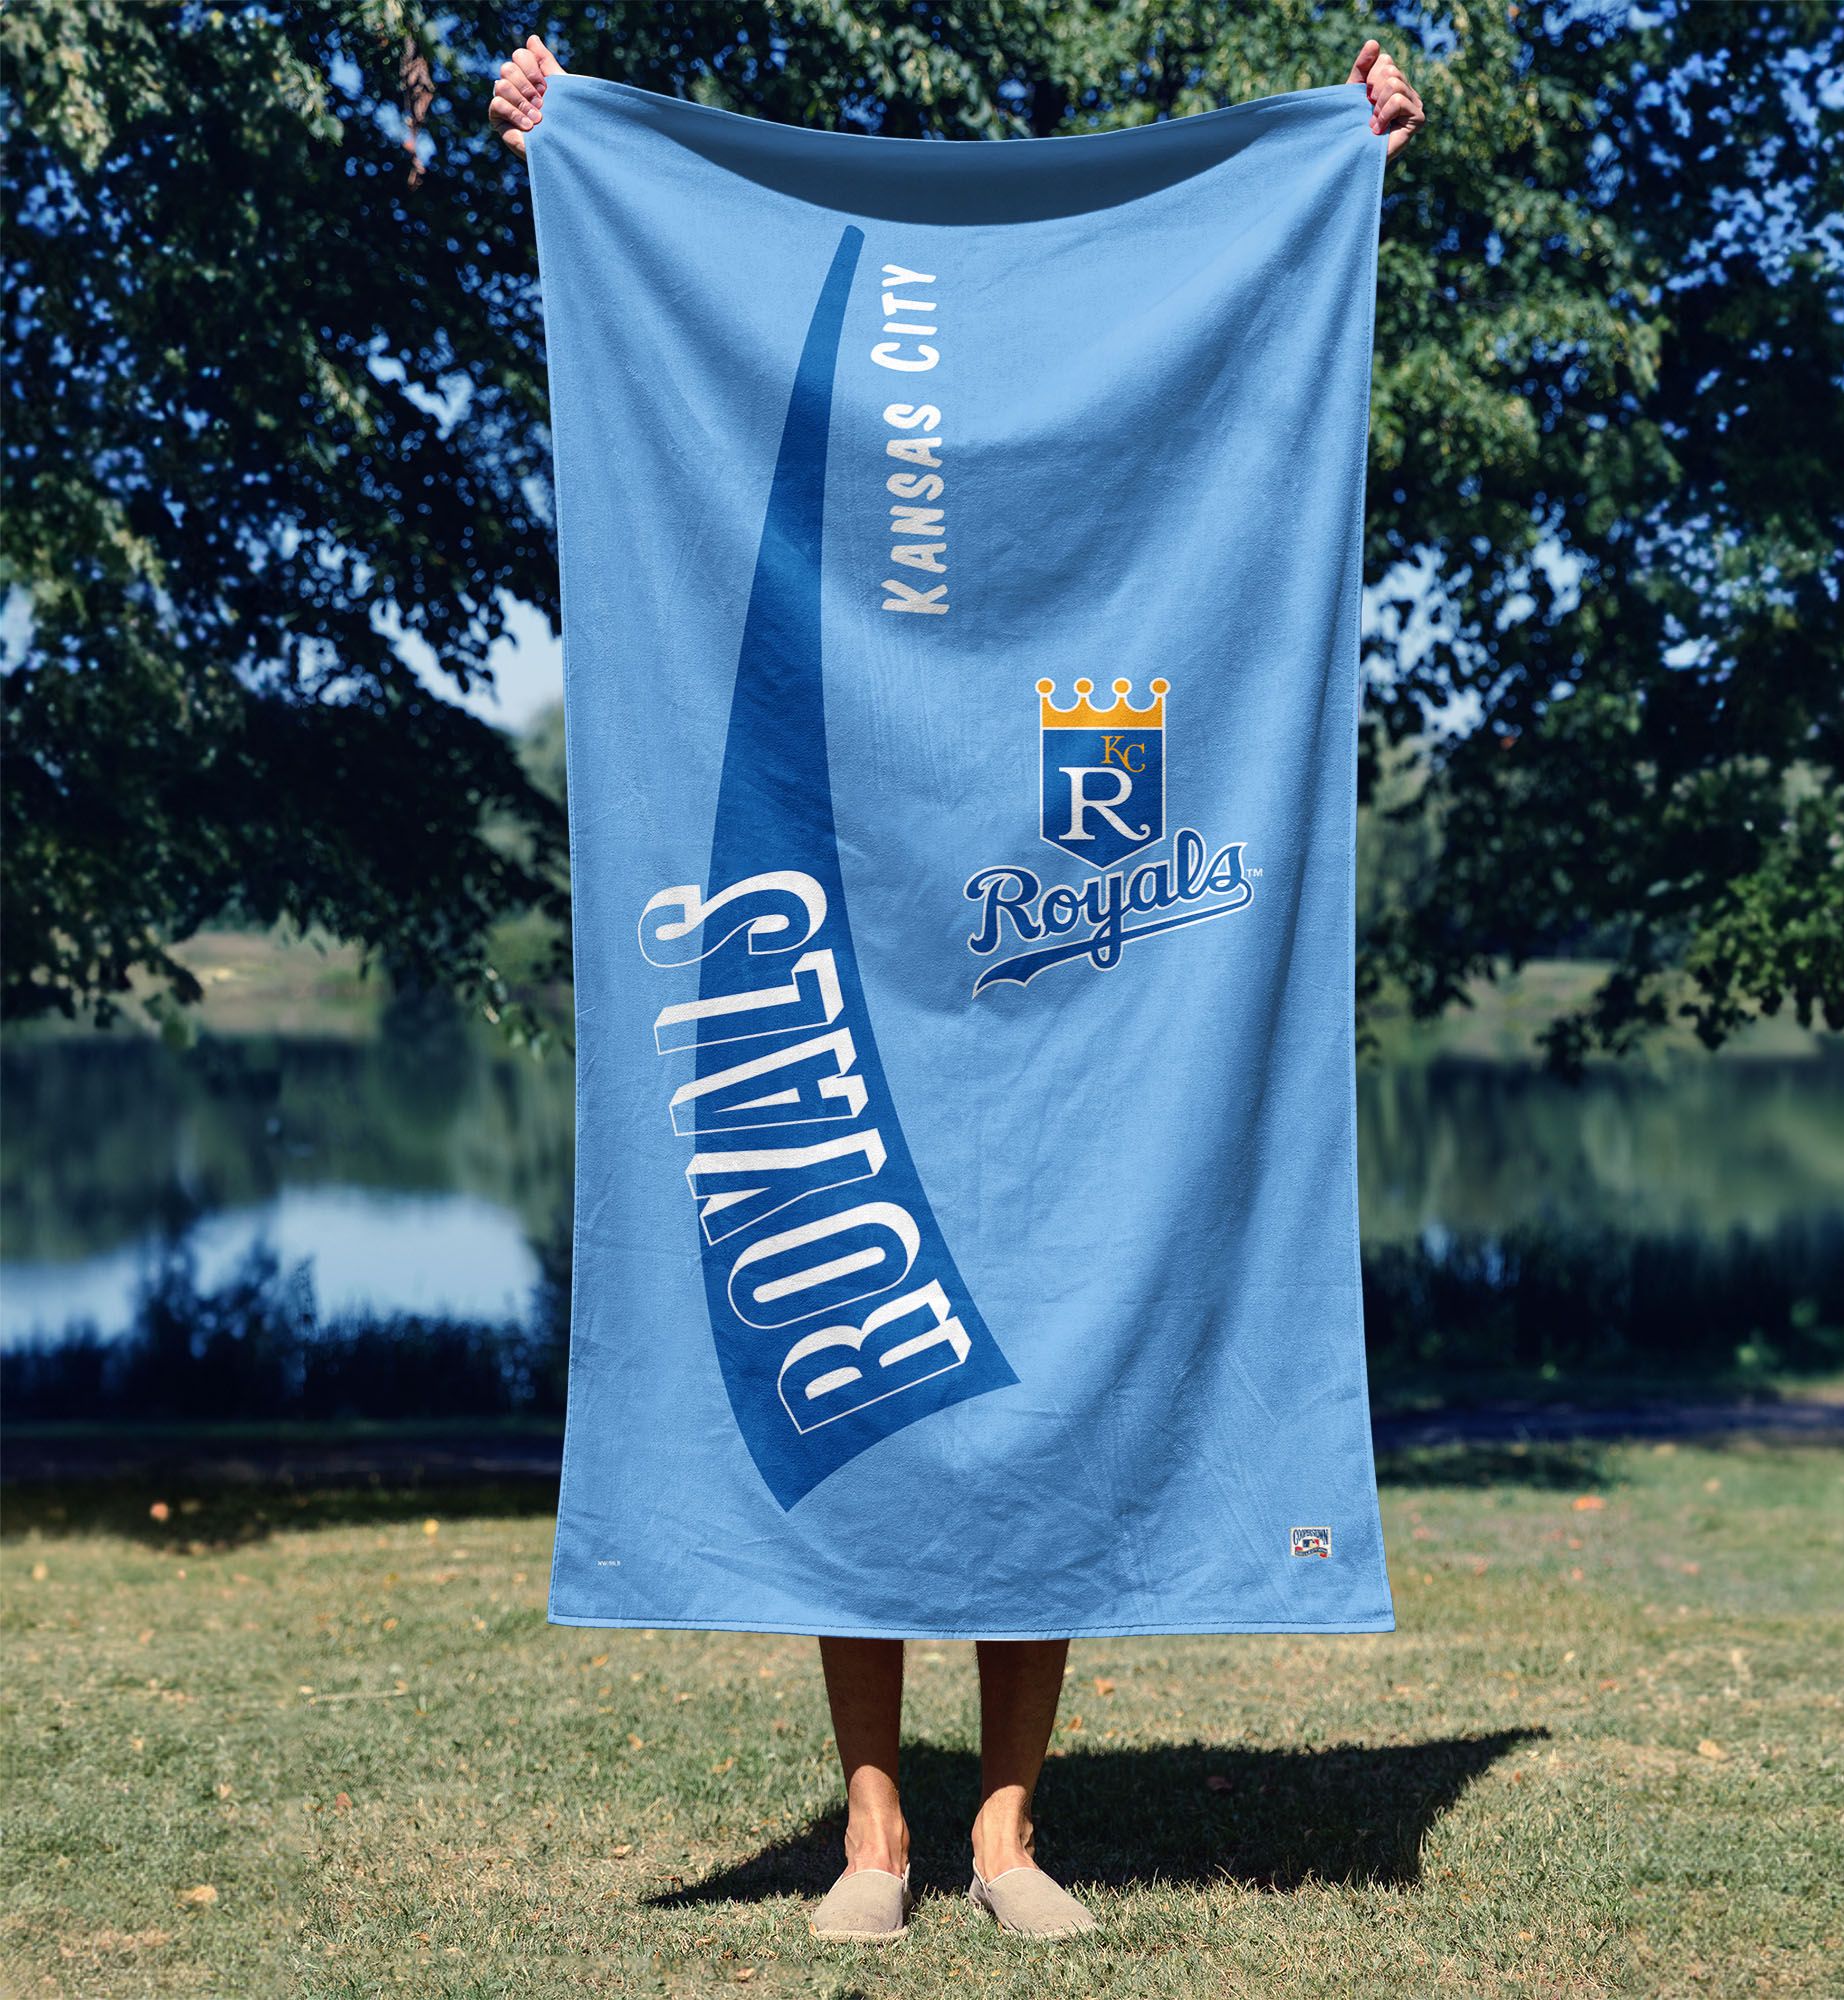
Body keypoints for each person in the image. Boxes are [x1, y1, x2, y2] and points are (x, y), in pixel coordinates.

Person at [488, 27, 1425, 1945]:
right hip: (855, 913)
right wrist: (563, 131)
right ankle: (873, 1836)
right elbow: (659, 263)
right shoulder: (787, 328)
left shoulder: (1113, 361)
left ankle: (1005, 1833)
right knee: (855, 1355)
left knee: (1054, 1377)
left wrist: (1345, 148)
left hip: (1071, 1004)